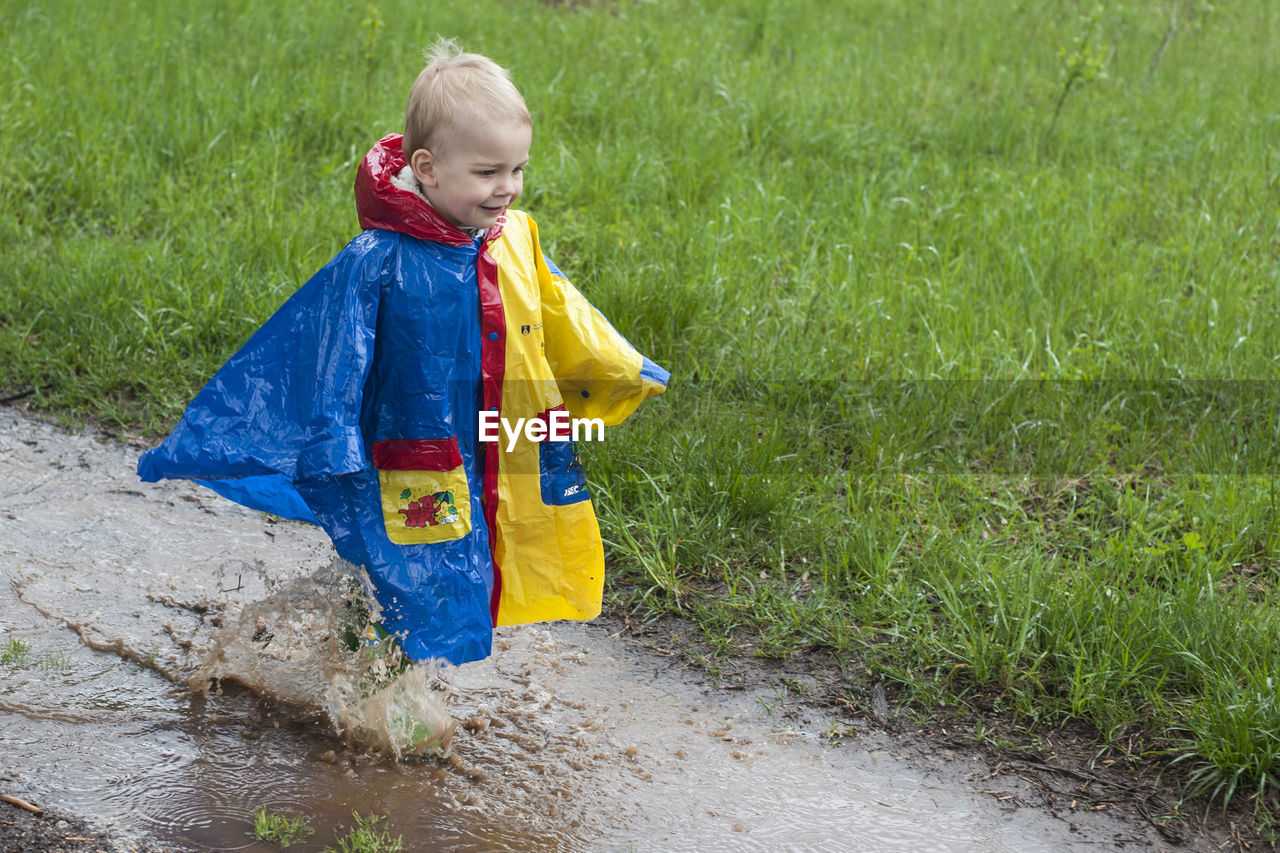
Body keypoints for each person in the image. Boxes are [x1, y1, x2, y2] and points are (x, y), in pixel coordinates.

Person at [137, 40, 669, 667]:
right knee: (409, 573)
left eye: (518, 169)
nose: (508, 189)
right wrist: (334, 440)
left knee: (463, 569)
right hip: (407, 453)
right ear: (429, 167)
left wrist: (619, 368)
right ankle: (374, 709)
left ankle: (363, 674)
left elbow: (562, 312)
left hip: (488, 440)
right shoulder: (381, 260)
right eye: (488, 172)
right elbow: (334, 352)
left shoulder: (514, 239)